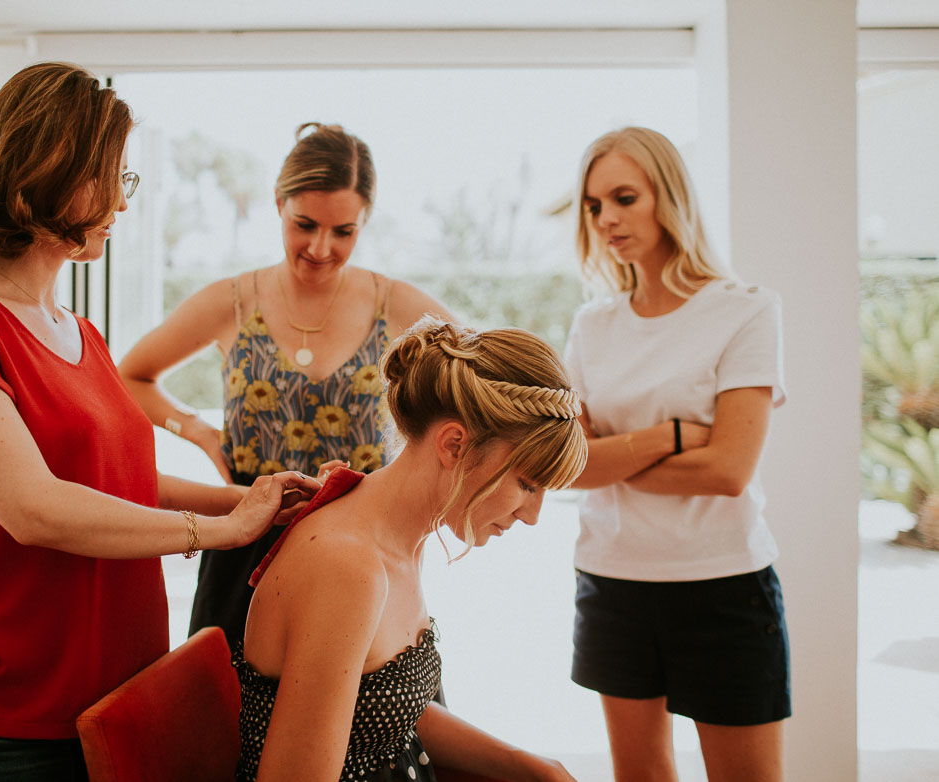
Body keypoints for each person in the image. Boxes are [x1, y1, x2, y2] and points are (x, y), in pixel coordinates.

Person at [0, 62, 318, 782]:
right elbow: (34, 508)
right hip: (10, 722)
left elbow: (115, 481)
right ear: (52, 168)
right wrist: (220, 532)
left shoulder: (82, 335)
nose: (122, 203)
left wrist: (254, 501)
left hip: (118, 701)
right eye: (111, 176)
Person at [118, 122, 453, 648]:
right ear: (278, 202)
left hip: (362, 546)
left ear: (364, 221)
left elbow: (479, 388)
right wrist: (203, 433)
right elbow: (130, 376)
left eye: (344, 231)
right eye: (305, 224)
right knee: (226, 711)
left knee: (366, 719)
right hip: (244, 538)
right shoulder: (231, 301)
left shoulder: (400, 307)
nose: (321, 247)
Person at [234, 315, 587, 782]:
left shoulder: (400, 535)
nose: (532, 515)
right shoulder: (347, 568)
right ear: (455, 445)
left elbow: (382, 709)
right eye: (527, 484)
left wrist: (534, 768)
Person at [562, 126, 790, 782]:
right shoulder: (592, 326)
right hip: (611, 581)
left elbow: (726, 470)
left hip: (721, 586)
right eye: (592, 205)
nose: (605, 219)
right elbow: (569, 465)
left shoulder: (745, 311)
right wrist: (670, 436)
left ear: (669, 196)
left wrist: (614, 456)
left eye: (623, 198)